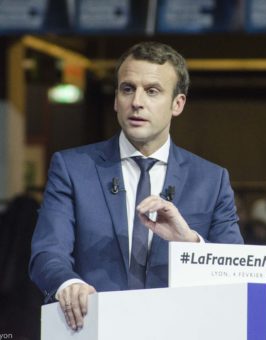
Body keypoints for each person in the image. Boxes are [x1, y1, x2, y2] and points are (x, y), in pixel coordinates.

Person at [29, 42, 244, 331]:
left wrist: (190, 244)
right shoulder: (72, 168)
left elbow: (236, 270)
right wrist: (69, 283)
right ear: (116, 99)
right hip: (94, 327)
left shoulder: (211, 180)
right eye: (127, 89)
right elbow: (47, 253)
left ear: (177, 104)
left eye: (152, 91)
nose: (137, 102)